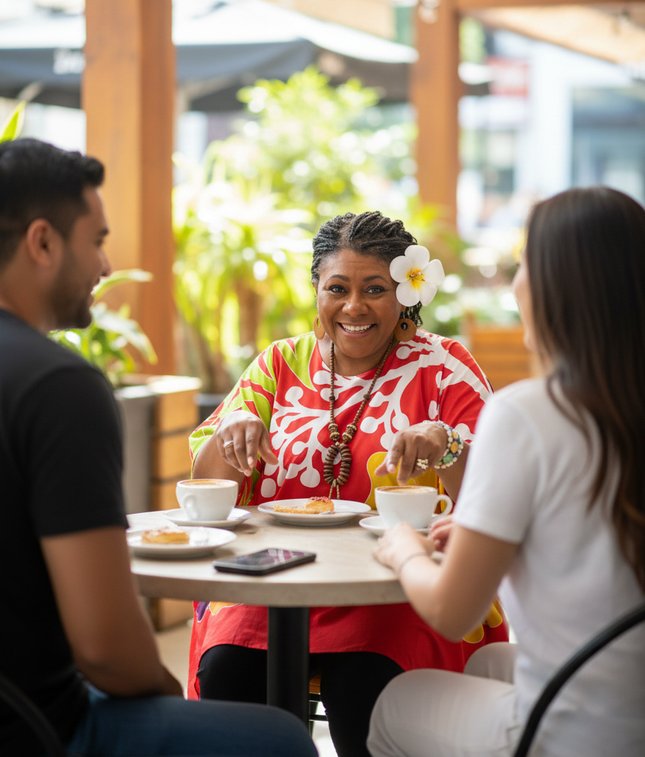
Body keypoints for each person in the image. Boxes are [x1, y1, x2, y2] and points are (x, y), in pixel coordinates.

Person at [0, 138, 318, 757]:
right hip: (37, 729)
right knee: (278, 740)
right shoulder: (58, 387)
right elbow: (105, 646)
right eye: (96, 241)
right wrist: (170, 700)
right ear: (42, 242)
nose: (103, 265)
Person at [188, 210, 508, 757]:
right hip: (274, 585)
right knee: (228, 671)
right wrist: (230, 435)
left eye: (375, 289)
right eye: (337, 288)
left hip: (399, 589)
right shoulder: (279, 364)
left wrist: (448, 442)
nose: (354, 307)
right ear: (317, 290)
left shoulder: (444, 367)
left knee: (364, 686)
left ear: (406, 293)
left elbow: (494, 496)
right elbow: (207, 488)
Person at [368, 187, 645, 757]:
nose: (516, 282)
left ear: (554, 289)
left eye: (523, 264)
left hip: (587, 732)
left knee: (398, 700)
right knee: (489, 661)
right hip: (630, 692)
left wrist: (403, 549)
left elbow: (451, 613)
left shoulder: (527, 414)